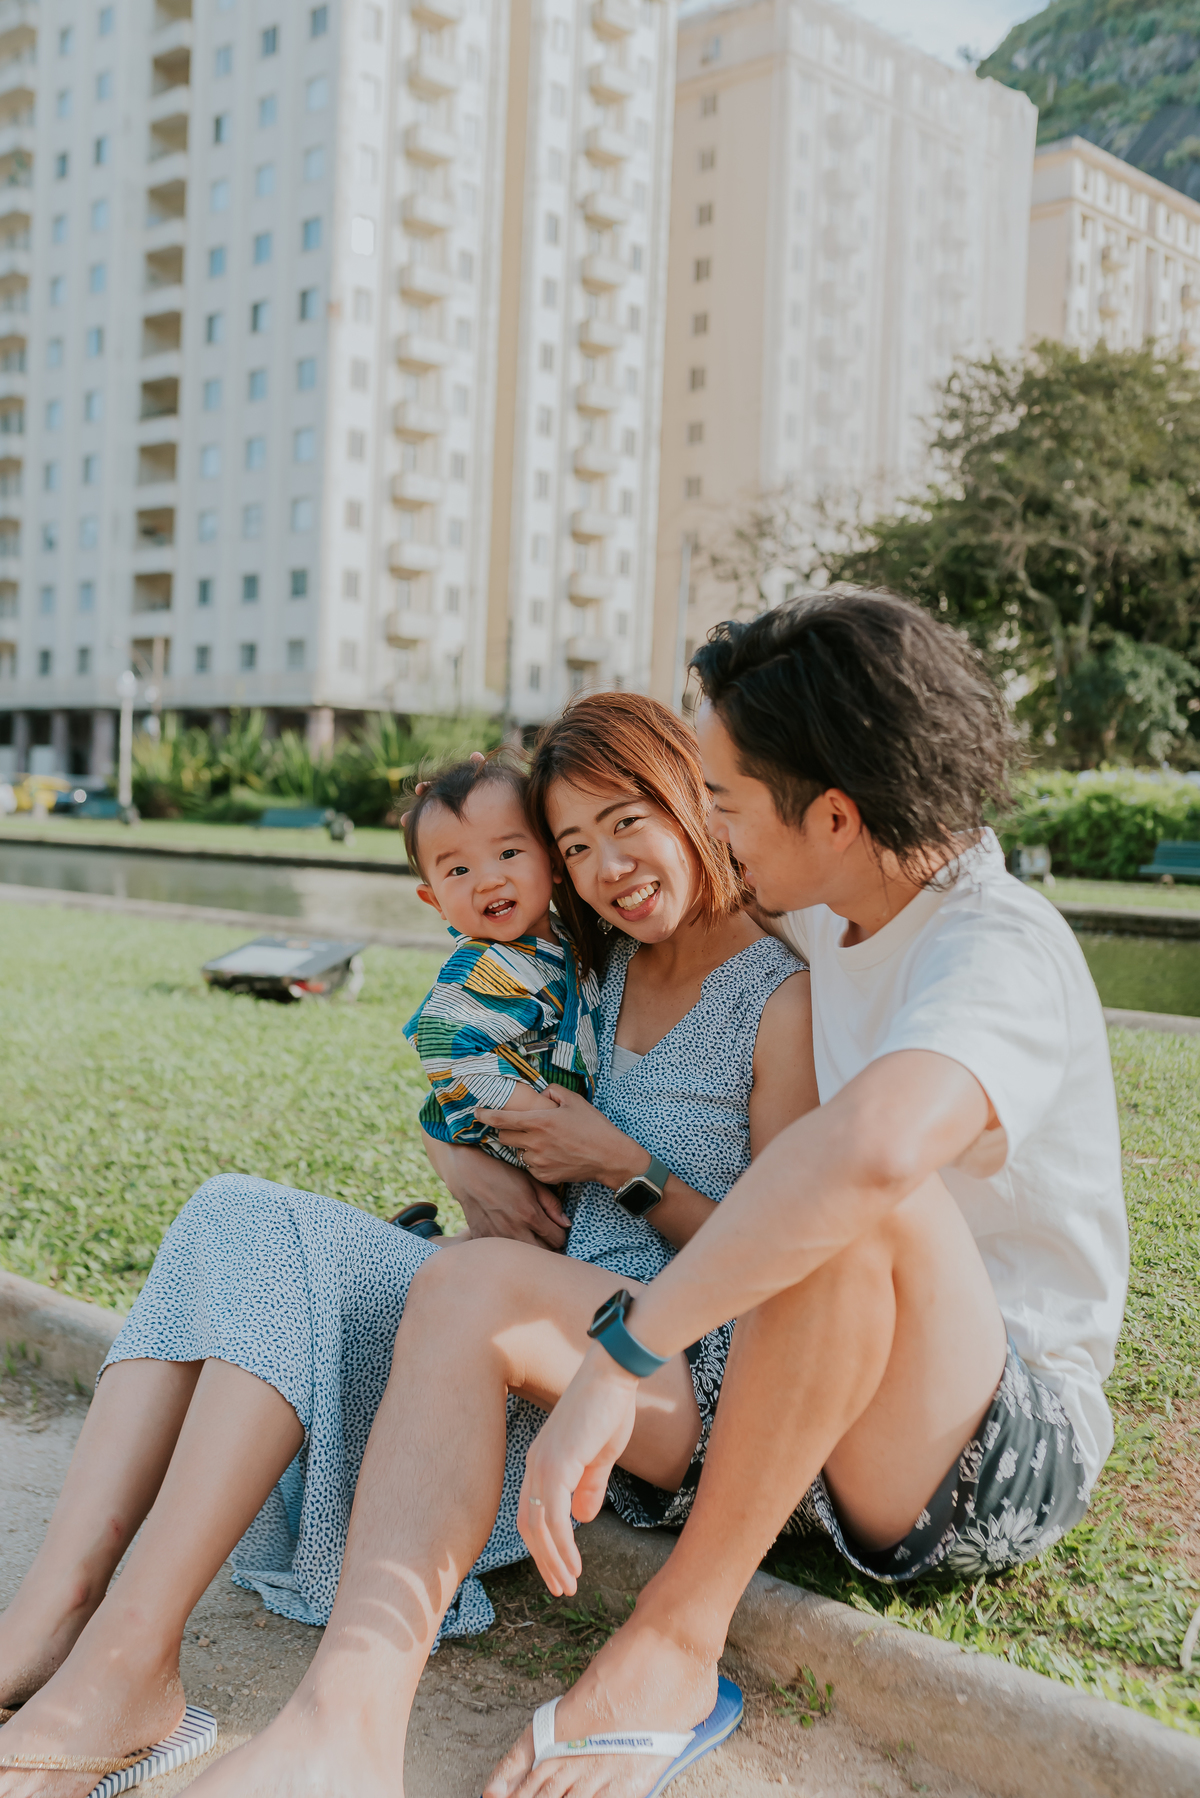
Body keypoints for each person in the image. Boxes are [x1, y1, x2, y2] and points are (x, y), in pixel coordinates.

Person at [0, 693, 813, 1797]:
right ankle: (72, 1627)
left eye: (627, 822)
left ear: (688, 798)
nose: (607, 864)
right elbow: (475, 1058)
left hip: (673, 1373)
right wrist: (454, 1150)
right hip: (529, 1297)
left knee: (433, 1272)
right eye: (574, 843)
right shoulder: (599, 958)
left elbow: (786, 1263)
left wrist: (617, 1159)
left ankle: (133, 1675)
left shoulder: (780, 995)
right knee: (236, 1211)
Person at [485, 588, 1129, 1798]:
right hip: (822, 1399)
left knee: (854, 1177)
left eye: (721, 804)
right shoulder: (838, 905)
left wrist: (621, 1354)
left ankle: (677, 1643)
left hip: (988, 1442)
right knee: (823, 1175)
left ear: (834, 813)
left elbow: (875, 1156)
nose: (711, 830)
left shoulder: (997, 949)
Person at [401, 751, 601, 1190]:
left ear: (552, 862)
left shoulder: (568, 937)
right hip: (523, 1151)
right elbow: (442, 1042)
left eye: (508, 852)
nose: (488, 879)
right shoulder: (480, 965)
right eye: (458, 869)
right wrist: (540, 1116)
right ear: (435, 902)